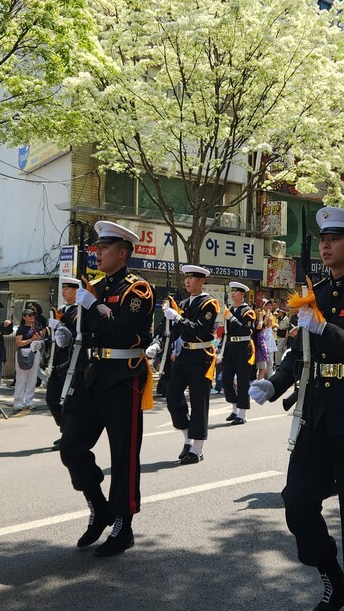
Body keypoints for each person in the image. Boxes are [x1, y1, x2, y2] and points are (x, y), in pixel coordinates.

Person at [248, 207, 344, 611]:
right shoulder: (317, 293)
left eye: (335, 239)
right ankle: (333, 576)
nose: (326, 246)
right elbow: (301, 352)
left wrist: (324, 328)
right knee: (297, 500)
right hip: (317, 410)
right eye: (323, 240)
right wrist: (275, 382)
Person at [59, 221, 155, 557]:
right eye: (97, 247)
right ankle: (99, 507)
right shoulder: (96, 288)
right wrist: (69, 324)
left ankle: (123, 525)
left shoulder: (137, 290)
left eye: (104, 248)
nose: (97, 253)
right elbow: (85, 328)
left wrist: (92, 305)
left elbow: (123, 330)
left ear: (122, 253)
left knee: (123, 455)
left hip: (123, 378)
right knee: (71, 446)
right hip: (94, 376)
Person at [153, 264, 219, 463]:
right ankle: (187, 438)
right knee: (173, 398)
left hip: (201, 358)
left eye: (192, 278)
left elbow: (198, 329)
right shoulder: (183, 303)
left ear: (202, 281)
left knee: (199, 403)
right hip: (183, 357)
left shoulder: (209, 304)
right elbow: (171, 330)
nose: (188, 281)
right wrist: (157, 343)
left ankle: (196, 449)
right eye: (186, 278)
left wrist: (178, 317)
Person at [46, 278, 81, 444]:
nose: (63, 291)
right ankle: (65, 430)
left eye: (67, 289)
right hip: (56, 360)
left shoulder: (79, 312)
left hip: (70, 361)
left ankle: (67, 436)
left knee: (66, 400)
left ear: (75, 291)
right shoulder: (60, 310)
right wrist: (43, 343)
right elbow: (54, 337)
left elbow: (76, 335)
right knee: (51, 398)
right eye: (63, 289)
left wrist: (60, 325)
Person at [221, 281, 258, 426]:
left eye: (235, 291)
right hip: (230, 348)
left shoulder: (248, 311)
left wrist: (231, 318)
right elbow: (226, 332)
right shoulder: (230, 309)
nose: (232, 294)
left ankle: (242, 414)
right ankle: (234, 407)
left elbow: (245, 330)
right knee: (226, 379)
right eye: (231, 291)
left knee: (242, 382)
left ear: (242, 294)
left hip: (243, 348)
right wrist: (221, 348)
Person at [12, 308, 44, 411]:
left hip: (34, 352)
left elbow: (39, 340)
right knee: (21, 379)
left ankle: (29, 401)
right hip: (23, 353)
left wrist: (38, 341)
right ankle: (18, 403)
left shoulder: (36, 329)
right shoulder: (21, 329)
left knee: (32, 379)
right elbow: (19, 343)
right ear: (24, 317)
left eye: (33, 315)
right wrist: (32, 339)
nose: (32, 317)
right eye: (29, 315)